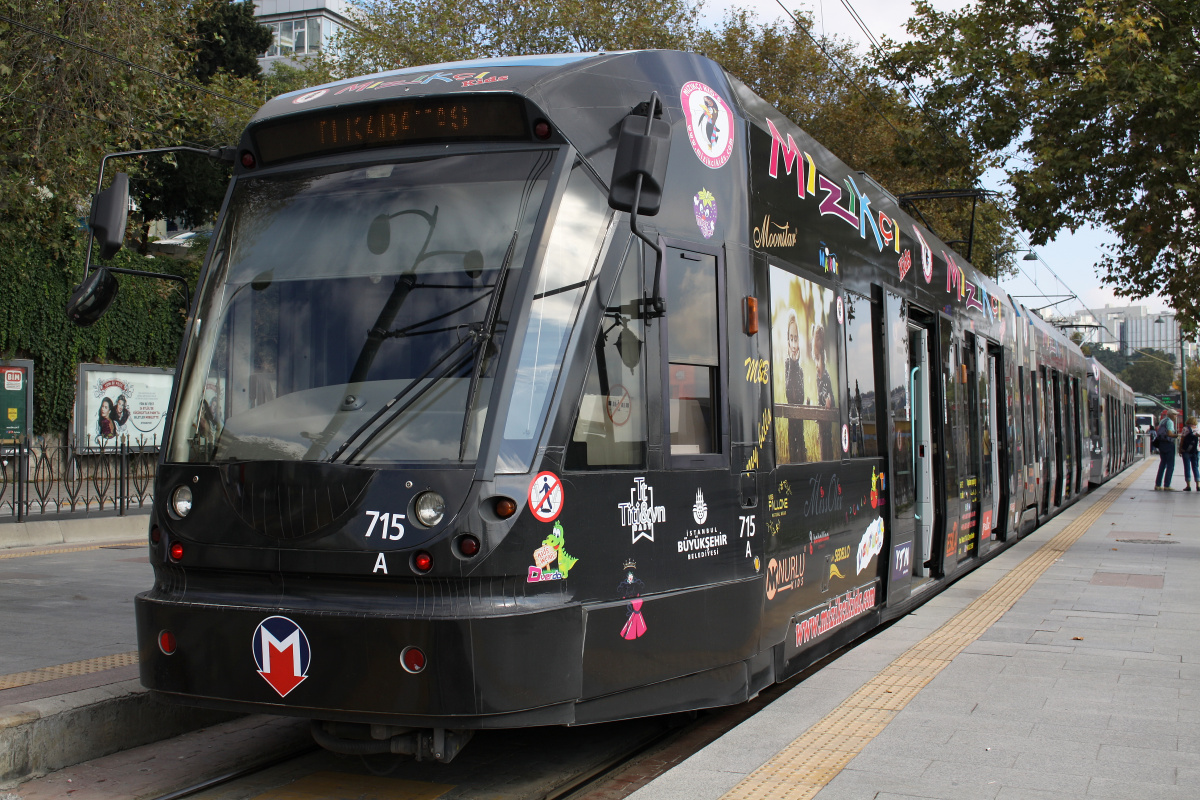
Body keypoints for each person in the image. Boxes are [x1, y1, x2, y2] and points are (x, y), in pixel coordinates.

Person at [783, 310, 806, 463]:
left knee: (801, 445)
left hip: (800, 423)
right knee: (793, 445)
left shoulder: (800, 369)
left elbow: (801, 396)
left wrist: (796, 364)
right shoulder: (787, 365)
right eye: (791, 338)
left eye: (796, 339)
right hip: (791, 423)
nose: (793, 343)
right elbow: (789, 393)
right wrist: (792, 363)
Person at [1154, 409, 1179, 490]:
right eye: (1175, 414)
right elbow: (1169, 434)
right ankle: (1167, 485)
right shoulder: (1170, 422)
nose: (1176, 416)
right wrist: (1177, 435)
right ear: (1171, 415)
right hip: (1168, 444)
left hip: (1161, 444)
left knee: (1162, 464)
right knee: (1170, 465)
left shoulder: (1162, 421)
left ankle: (1158, 485)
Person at [1181, 416, 1199, 491]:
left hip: (1186, 451)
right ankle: (1198, 485)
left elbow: (1182, 440)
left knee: (1187, 467)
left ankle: (1188, 485)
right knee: (1195, 467)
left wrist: (1180, 449)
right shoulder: (1198, 429)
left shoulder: (1185, 429)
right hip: (1196, 450)